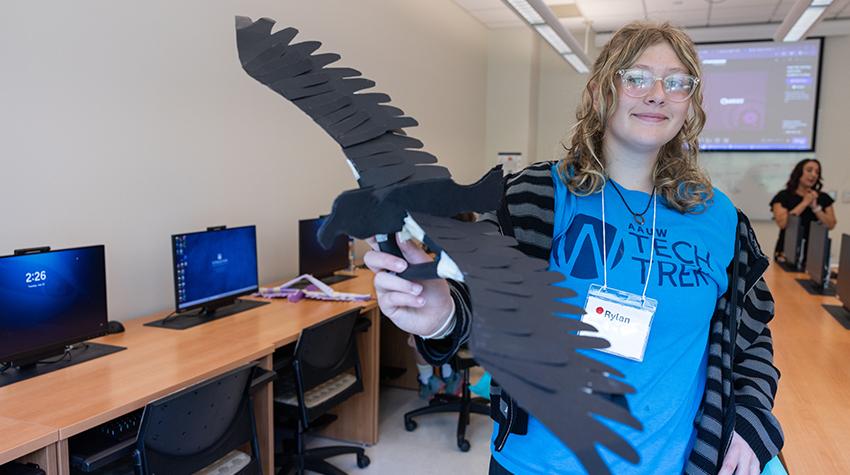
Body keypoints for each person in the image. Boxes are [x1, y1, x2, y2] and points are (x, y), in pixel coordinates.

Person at [364, 21, 783, 475]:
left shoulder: (720, 218)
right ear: (604, 90)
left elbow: (752, 335)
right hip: (536, 465)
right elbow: (478, 296)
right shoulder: (534, 197)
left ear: (691, 102)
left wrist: (751, 418)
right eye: (637, 77)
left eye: (678, 81)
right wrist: (441, 315)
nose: (658, 93)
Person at [770, 158, 836, 263]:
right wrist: (804, 203)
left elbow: (831, 224)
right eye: (809, 170)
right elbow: (783, 223)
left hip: (815, 254)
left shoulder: (823, 197)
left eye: (817, 172)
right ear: (799, 172)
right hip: (786, 252)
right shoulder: (783, 196)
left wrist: (816, 208)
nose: (813, 175)